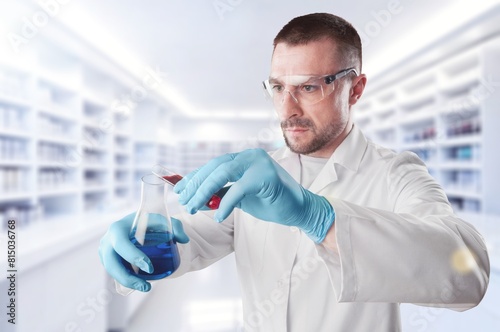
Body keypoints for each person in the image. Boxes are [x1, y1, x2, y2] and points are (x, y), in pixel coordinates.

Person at [99, 13, 490, 331]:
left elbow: (467, 273)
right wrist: (138, 243)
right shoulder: (259, 176)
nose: (287, 109)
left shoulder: (395, 174)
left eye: (308, 88)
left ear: (355, 90)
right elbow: (189, 239)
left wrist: (317, 216)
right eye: (277, 87)